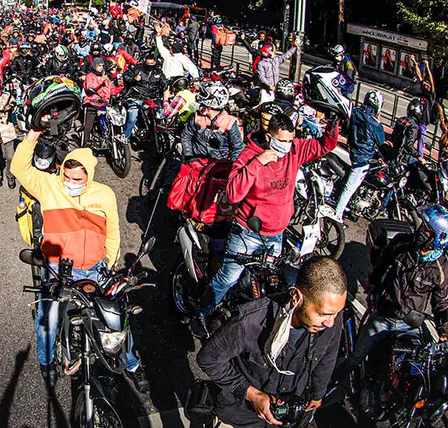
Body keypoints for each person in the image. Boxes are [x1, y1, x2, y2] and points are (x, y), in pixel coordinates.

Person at [10, 128, 149, 393]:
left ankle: (132, 364)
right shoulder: (49, 186)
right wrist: (33, 135)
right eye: (67, 177)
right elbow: (19, 167)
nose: (71, 182)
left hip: (96, 270)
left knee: (116, 319)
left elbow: (113, 230)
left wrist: (109, 262)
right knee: (46, 320)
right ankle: (46, 362)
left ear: (89, 175)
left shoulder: (105, 194)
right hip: (57, 271)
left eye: (77, 178)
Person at [192, 113, 339, 337]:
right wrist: (257, 164)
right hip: (247, 234)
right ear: (270, 139)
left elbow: (323, 146)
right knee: (227, 278)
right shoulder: (249, 155)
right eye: (282, 141)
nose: (287, 146)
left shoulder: (295, 151)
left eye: (291, 140)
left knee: (268, 285)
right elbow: (233, 193)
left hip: (276, 235)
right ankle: (201, 313)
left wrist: (333, 128)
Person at [197, 256, 347, 427]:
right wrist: (251, 394)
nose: (331, 323)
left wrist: (318, 394)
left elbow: (328, 356)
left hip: (290, 413)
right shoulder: (251, 322)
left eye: (336, 313)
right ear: (297, 298)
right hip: (246, 414)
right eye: (323, 315)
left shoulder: (331, 316)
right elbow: (208, 358)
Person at [345, 204, 448, 371]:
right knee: (355, 359)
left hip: (409, 325)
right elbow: (383, 263)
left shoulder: (441, 269)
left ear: (438, 238)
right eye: (423, 225)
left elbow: (441, 303)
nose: (421, 230)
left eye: (428, 230)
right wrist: (372, 281)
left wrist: (444, 331)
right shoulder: (401, 243)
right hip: (383, 316)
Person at [333, 90, 385, 222]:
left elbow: (345, 129)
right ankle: (336, 216)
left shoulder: (354, 113)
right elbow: (381, 141)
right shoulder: (374, 123)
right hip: (362, 158)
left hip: (350, 151)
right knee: (348, 189)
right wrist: (379, 123)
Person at [181, 82, 244, 162]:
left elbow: (237, 148)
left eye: (204, 96)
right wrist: (189, 157)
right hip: (196, 163)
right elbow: (186, 136)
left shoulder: (229, 122)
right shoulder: (197, 118)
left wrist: (231, 167)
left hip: (218, 166)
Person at [81, 58, 115, 146]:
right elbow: (90, 87)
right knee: (87, 127)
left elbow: (113, 91)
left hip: (104, 104)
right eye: (99, 66)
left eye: (102, 66)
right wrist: (101, 80)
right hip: (92, 103)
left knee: (109, 123)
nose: (101, 68)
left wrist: (120, 85)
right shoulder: (90, 76)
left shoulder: (105, 77)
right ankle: (85, 145)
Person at [412, 56, 441, 157]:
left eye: (427, 85)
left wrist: (428, 67)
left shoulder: (431, 96)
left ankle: (420, 156)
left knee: (421, 139)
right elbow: (420, 76)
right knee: (412, 135)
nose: (426, 86)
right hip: (417, 119)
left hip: (423, 121)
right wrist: (415, 62)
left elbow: (432, 83)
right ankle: (410, 150)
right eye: (426, 85)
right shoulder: (424, 92)